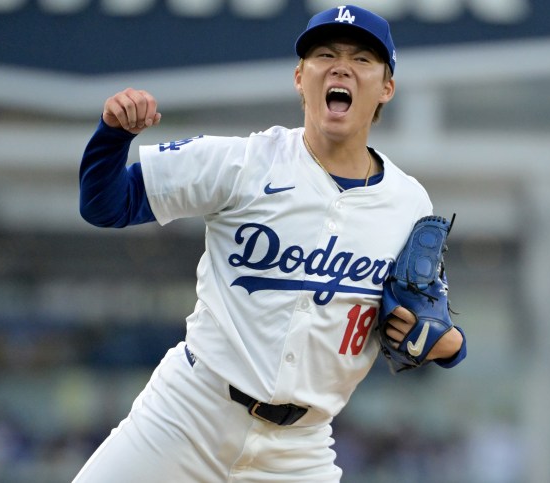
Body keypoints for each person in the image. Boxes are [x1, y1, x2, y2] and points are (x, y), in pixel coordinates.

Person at [73, 5, 466, 482]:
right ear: (300, 77)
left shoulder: (408, 202)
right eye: (326, 54)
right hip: (188, 415)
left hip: (299, 450)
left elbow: (427, 319)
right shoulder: (243, 162)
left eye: (362, 59)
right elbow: (106, 204)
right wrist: (114, 135)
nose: (342, 66)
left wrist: (449, 346)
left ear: (387, 87)